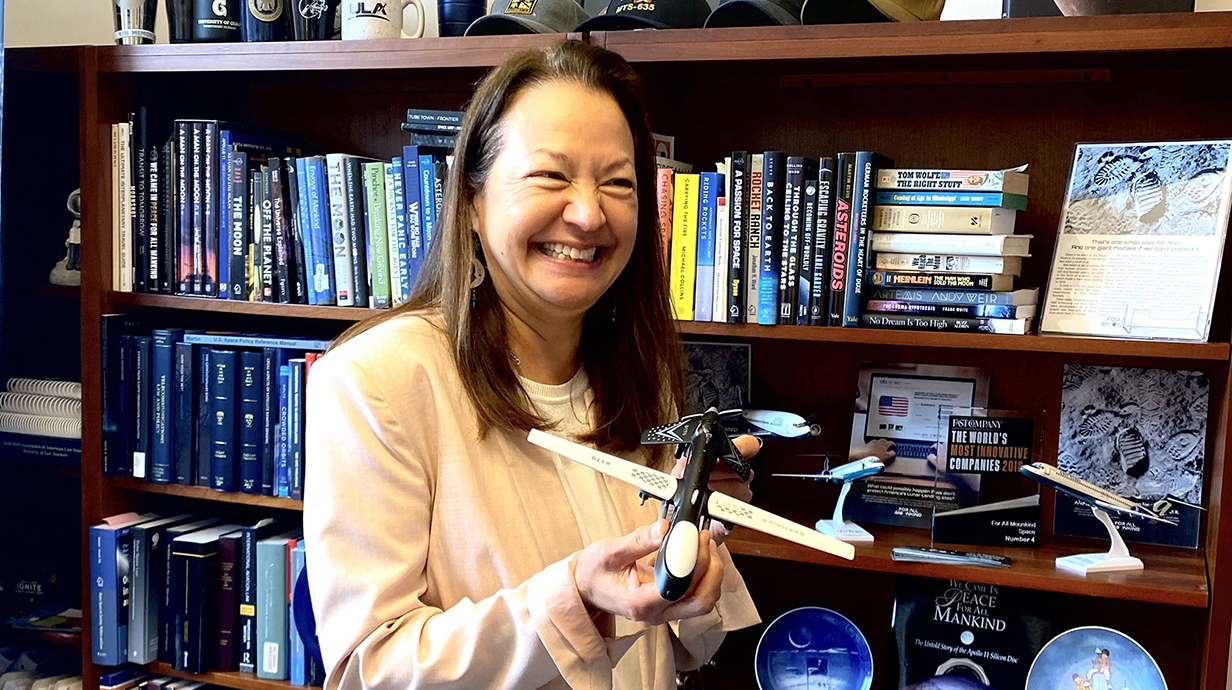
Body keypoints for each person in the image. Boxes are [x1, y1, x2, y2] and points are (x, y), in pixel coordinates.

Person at [304, 40, 760, 690]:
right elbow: (371, 669)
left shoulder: (638, 374)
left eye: (618, 183)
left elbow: (675, 650)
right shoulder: (376, 380)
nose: (588, 212)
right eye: (551, 175)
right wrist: (577, 596)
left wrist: (692, 536)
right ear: (470, 199)